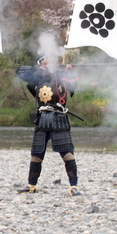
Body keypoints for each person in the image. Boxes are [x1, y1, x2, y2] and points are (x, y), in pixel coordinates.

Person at [15, 55, 81, 196]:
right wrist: (40, 70)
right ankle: (31, 185)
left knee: (67, 154)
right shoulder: (38, 76)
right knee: (36, 154)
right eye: (44, 62)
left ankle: (73, 186)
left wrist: (69, 71)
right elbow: (20, 71)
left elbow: (73, 85)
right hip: (42, 118)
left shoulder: (61, 75)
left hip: (59, 118)